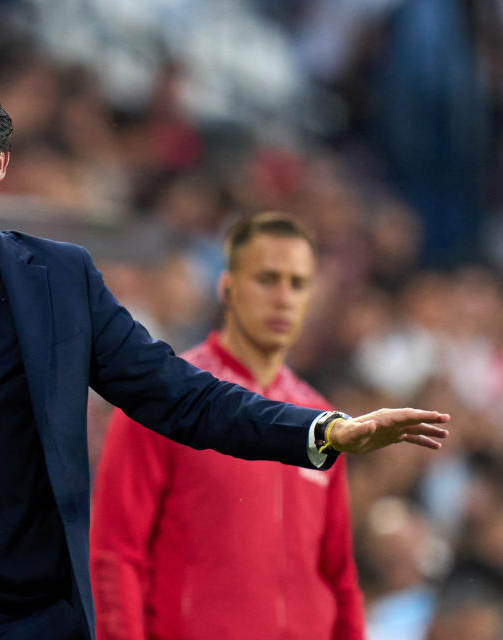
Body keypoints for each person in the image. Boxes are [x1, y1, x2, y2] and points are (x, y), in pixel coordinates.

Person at [0, 66, 449, 640]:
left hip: (18, 617)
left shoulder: (65, 279)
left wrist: (320, 430)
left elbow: (179, 394)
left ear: (0, 161)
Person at [90, 212, 365, 640]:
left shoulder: (321, 418)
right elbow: (115, 554)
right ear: (227, 288)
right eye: (267, 279)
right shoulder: (164, 400)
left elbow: (338, 574)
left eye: (298, 284)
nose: (283, 297)